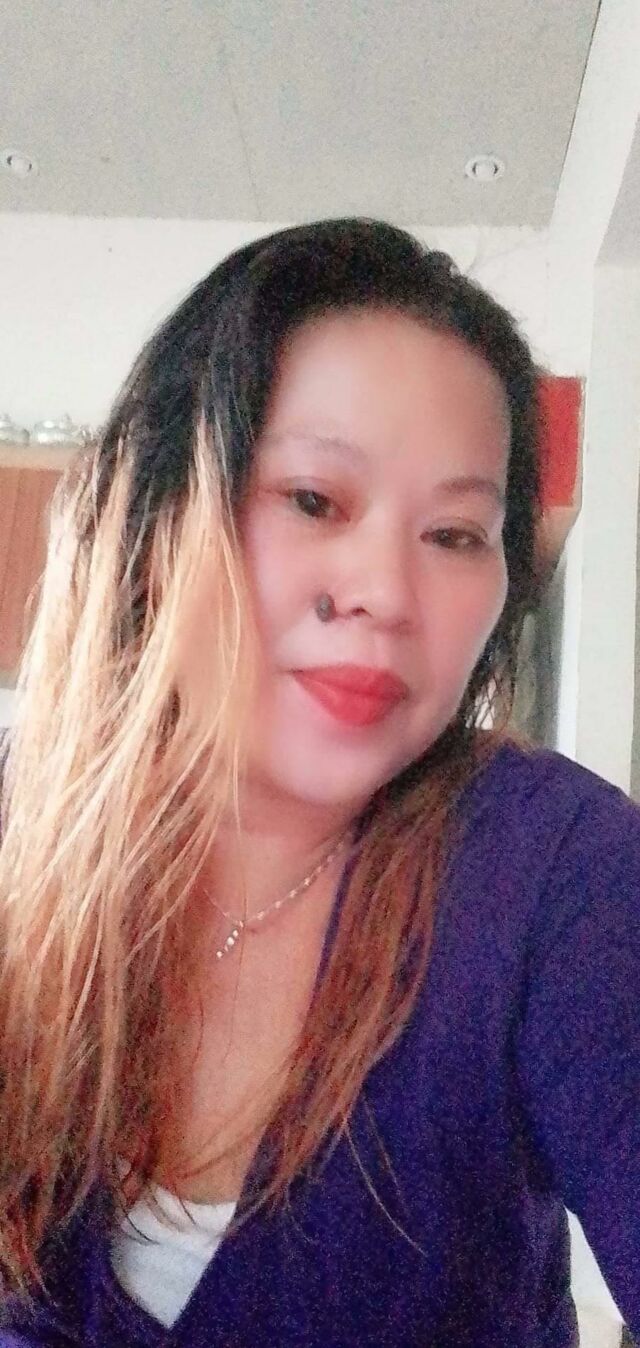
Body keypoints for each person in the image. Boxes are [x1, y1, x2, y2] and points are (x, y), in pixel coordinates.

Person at [0, 218, 637, 1348]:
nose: (384, 591)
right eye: (312, 499)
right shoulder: (20, 836)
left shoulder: (554, 871)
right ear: (157, 517)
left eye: (455, 534)